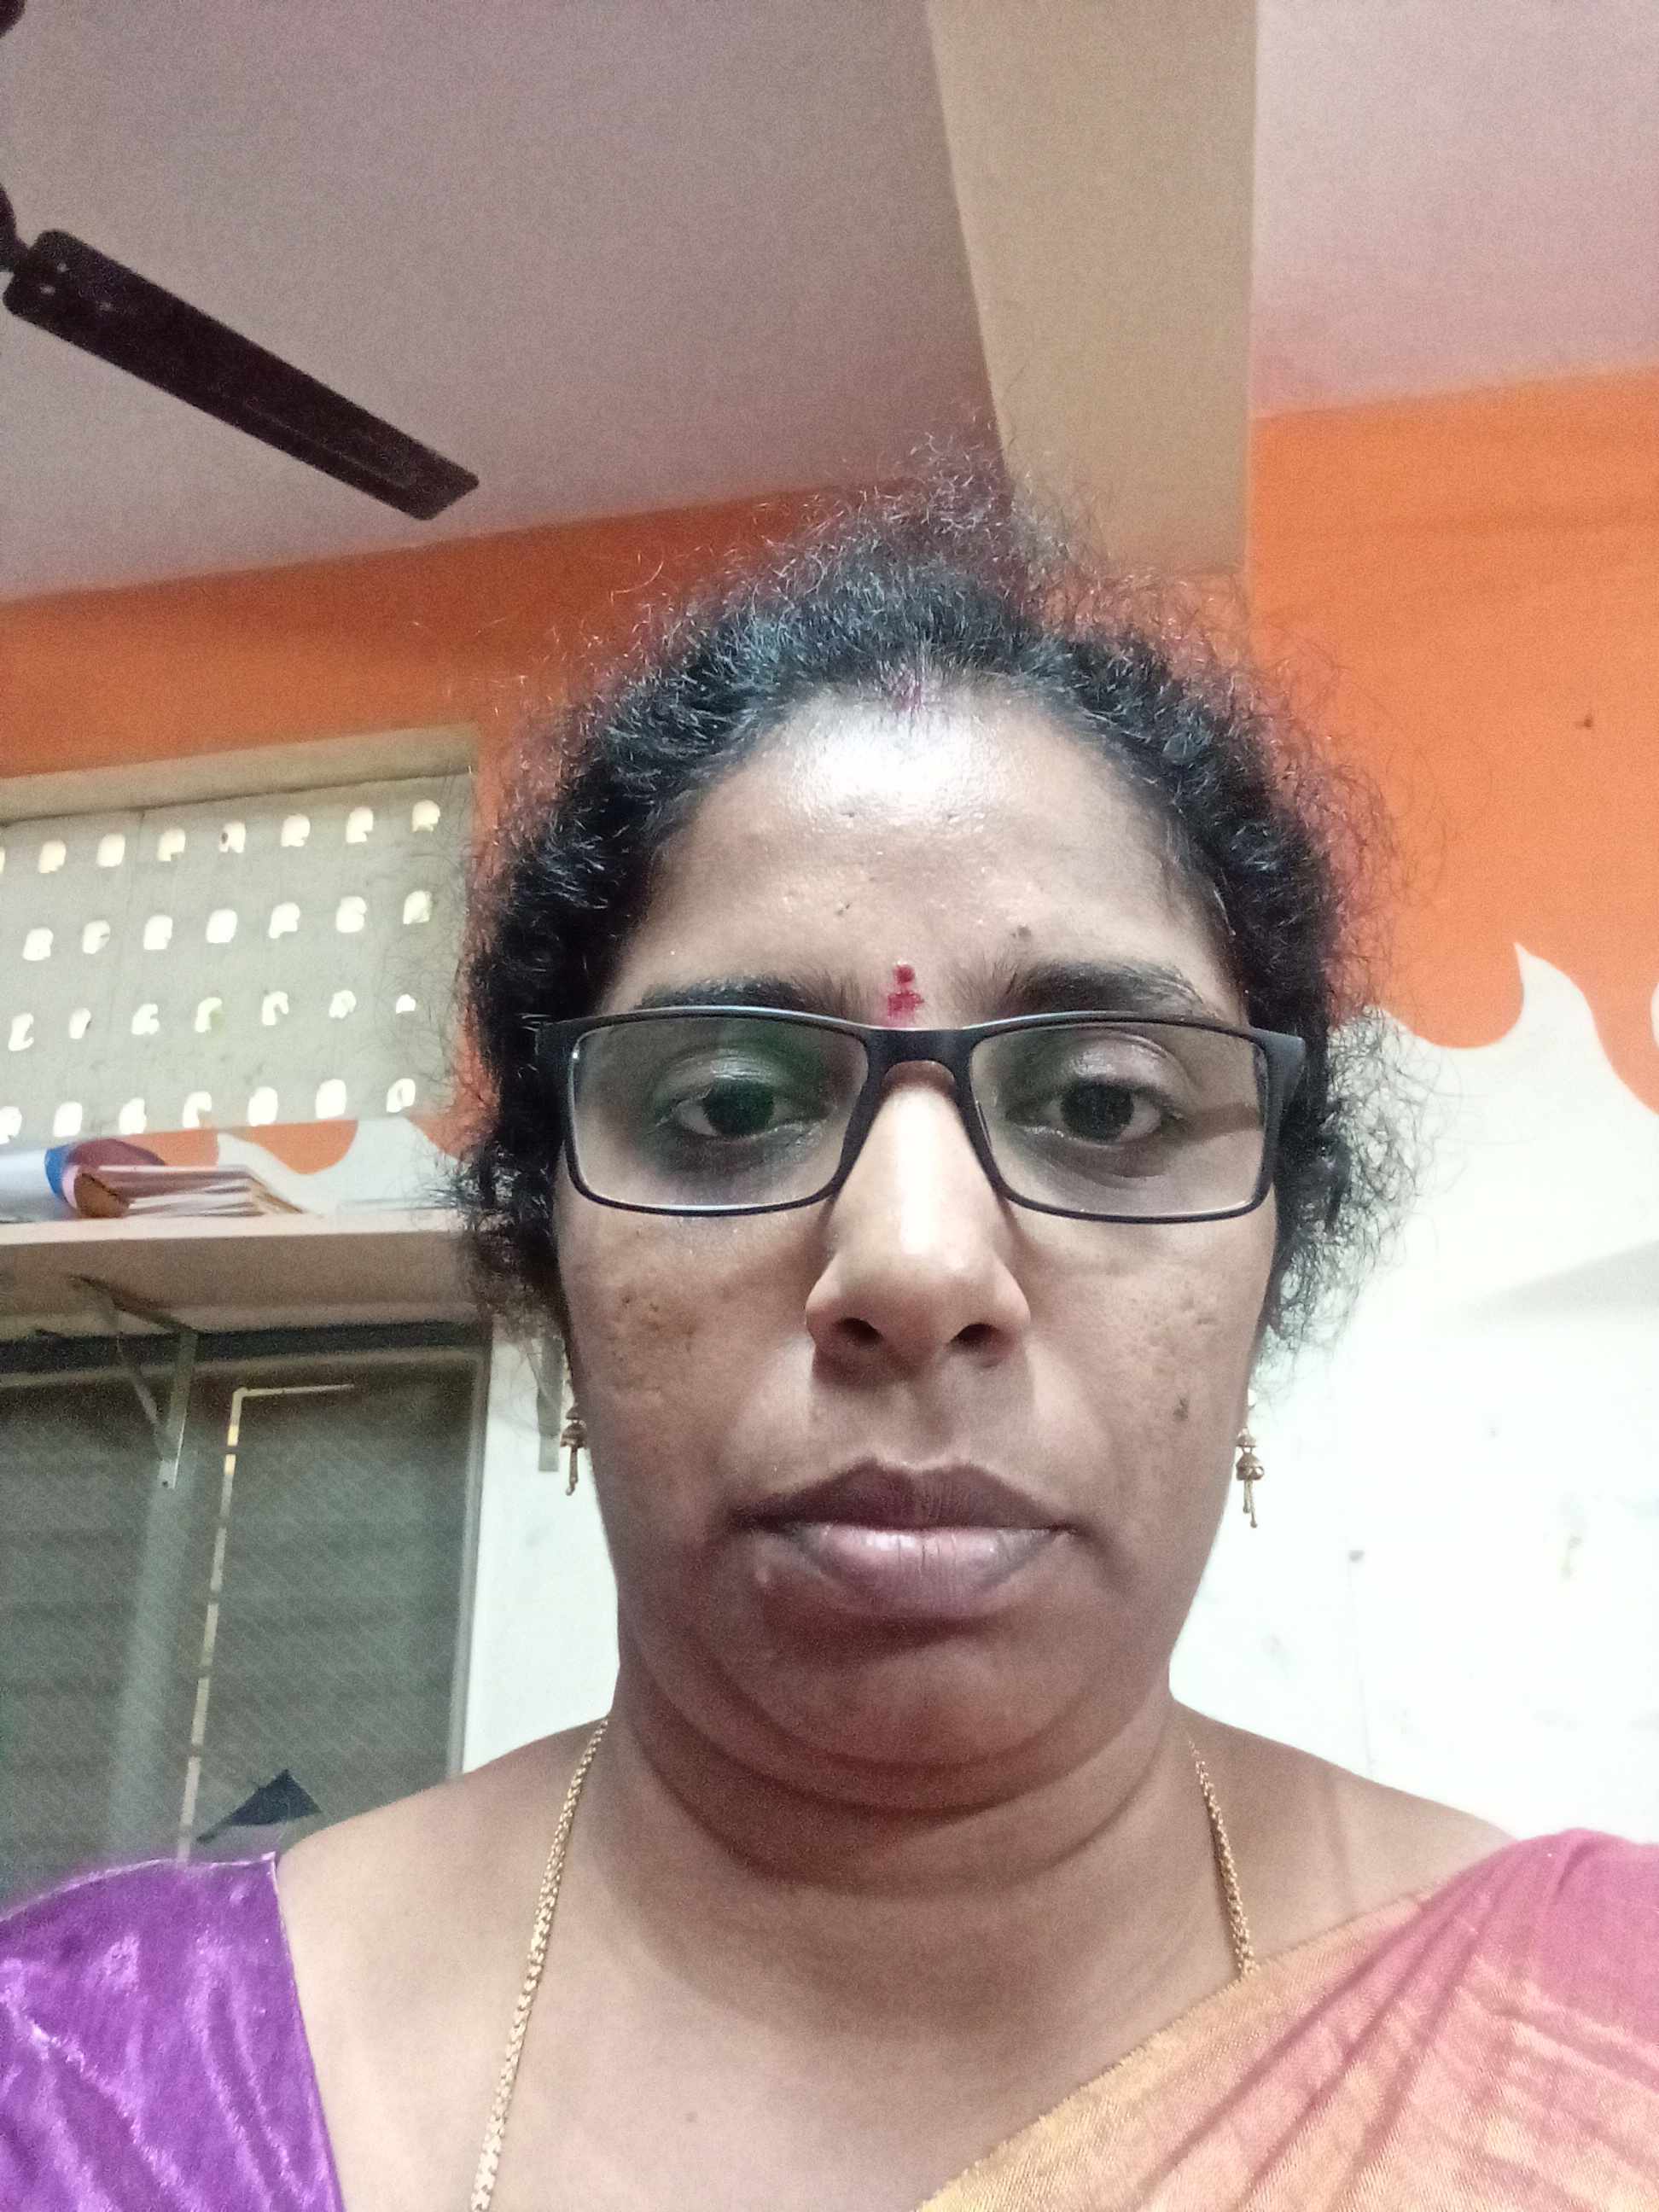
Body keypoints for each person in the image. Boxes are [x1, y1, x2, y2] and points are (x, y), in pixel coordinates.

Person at [3, 480, 1655, 2210]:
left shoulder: (1607, 2051)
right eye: (728, 1106)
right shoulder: (89, 2097)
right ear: (551, 1270)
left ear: (1272, 1265)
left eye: (1105, 1105)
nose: (918, 1262)